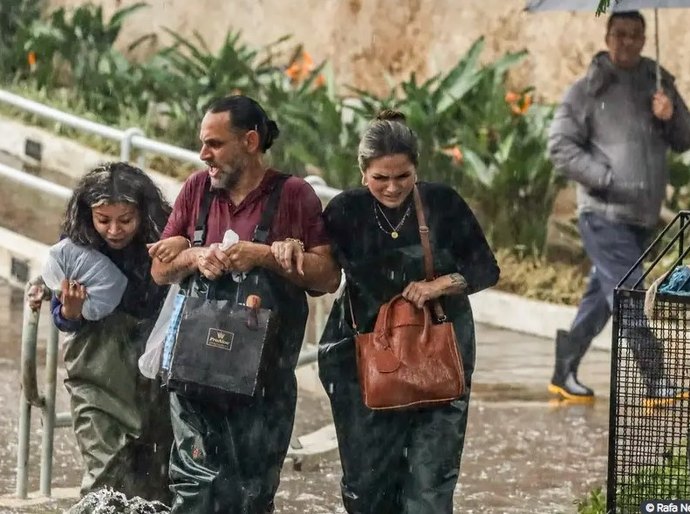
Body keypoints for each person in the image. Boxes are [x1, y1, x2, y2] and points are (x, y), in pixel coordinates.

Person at [299, 110, 500, 514]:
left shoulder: (442, 203)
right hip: (362, 355)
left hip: (437, 352)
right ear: (362, 173)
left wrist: (440, 284)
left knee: (431, 480)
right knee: (367, 481)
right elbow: (321, 274)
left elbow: (485, 268)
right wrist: (291, 251)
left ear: (416, 170)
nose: (392, 188)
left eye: (403, 177)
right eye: (381, 179)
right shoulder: (345, 211)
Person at [150, 94, 341, 513]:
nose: (204, 155)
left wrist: (265, 254)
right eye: (203, 144)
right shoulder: (196, 189)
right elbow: (160, 271)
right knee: (194, 491)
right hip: (194, 375)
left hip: (265, 384)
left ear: (251, 141)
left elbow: (328, 277)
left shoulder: (294, 195)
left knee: (252, 496)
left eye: (215, 144)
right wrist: (197, 256)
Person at [548, 10, 690, 403]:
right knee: (629, 291)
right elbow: (560, 146)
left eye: (635, 35)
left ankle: (563, 371)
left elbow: (684, 139)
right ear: (608, 36)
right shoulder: (587, 90)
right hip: (603, 212)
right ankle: (656, 378)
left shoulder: (659, 83)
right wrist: (607, 179)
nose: (627, 42)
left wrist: (670, 114)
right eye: (620, 34)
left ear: (645, 39)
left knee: (601, 297)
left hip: (641, 216)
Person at [46, 162, 183, 503]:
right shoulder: (76, 248)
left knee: (154, 476)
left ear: (143, 214)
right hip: (97, 376)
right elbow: (61, 313)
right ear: (87, 215)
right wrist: (70, 311)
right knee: (104, 475)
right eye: (103, 220)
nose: (114, 230)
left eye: (125, 220)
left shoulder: (163, 242)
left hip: (154, 373)